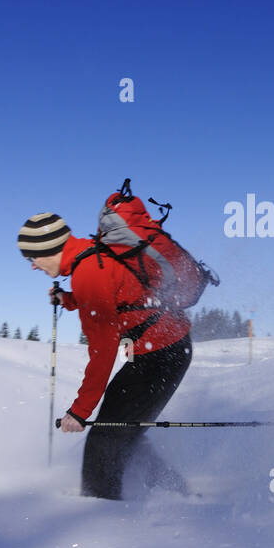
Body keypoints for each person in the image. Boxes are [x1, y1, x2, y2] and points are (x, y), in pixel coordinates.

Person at [17, 212, 192, 499]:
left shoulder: (88, 272)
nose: (33, 266)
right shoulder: (90, 257)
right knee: (119, 426)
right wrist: (68, 299)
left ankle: (101, 518)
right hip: (162, 349)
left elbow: (103, 351)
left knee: (106, 438)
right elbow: (115, 296)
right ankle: (174, 491)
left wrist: (79, 411)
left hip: (162, 356)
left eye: (32, 257)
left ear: (49, 248)